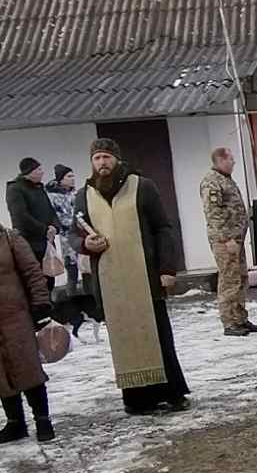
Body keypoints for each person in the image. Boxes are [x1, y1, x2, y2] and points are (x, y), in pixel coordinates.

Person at [73, 138, 189, 415]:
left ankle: (172, 393)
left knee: (158, 335)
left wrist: (167, 269)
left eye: (107, 157)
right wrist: (86, 245)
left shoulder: (141, 186)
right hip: (111, 281)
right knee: (125, 340)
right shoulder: (84, 194)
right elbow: (74, 234)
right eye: (97, 158)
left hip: (145, 277)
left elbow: (163, 228)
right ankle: (137, 399)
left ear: (117, 159)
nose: (102, 163)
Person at [0, 226, 56, 444]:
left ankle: (43, 420)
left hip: (15, 316)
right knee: (1, 373)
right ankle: (15, 423)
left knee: (28, 366)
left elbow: (32, 271)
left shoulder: (9, 238)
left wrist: (40, 303)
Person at [200, 147, 257, 337]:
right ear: (220, 160)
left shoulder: (226, 179)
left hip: (236, 240)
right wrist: (226, 239)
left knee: (241, 278)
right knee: (229, 280)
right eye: (231, 159)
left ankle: (240, 318)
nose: (234, 162)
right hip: (225, 242)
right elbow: (214, 215)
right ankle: (229, 323)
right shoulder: (212, 181)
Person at [6, 158, 59, 272]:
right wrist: (44, 229)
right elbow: (21, 217)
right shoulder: (15, 189)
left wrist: (54, 226)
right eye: (39, 169)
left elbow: (50, 210)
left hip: (47, 241)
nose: (42, 172)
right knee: (35, 277)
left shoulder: (39, 187)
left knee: (49, 276)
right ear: (30, 171)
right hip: (29, 242)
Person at [45, 165, 80, 298]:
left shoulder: (75, 194)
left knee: (87, 270)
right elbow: (53, 217)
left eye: (73, 176)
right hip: (66, 238)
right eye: (69, 176)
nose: (73, 179)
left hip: (82, 234)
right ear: (61, 179)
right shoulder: (52, 196)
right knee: (72, 273)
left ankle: (90, 305)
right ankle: (73, 305)